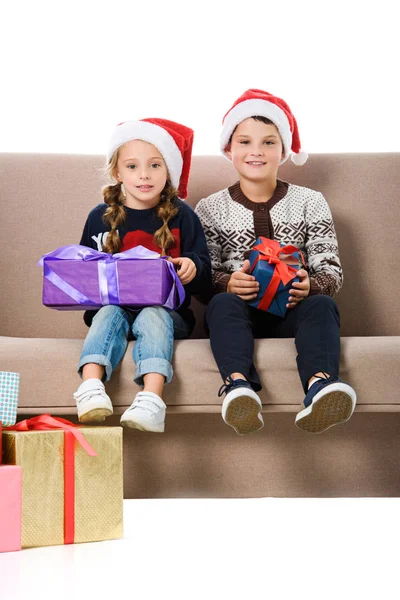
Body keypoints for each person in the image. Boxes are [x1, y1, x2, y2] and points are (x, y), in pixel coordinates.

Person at [195, 89, 357, 435]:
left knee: (322, 306)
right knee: (222, 304)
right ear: (229, 149)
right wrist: (227, 283)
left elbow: (331, 269)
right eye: (245, 142)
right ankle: (238, 387)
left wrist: (310, 283)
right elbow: (203, 277)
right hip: (240, 313)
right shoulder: (209, 208)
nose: (256, 151)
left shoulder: (310, 202)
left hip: (293, 311)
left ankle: (320, 385)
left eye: (269, 142)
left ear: (284, 150)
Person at [73, 118, 211, 432]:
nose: (144, 175)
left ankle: (151, 399)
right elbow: (83, 277)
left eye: (154, 166)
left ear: (169, 172)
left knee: (152, 312)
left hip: (167, 314)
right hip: (113, 311)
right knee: (108, 312)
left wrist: (193, 266)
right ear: (117, 172)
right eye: (133, 167)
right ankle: (91, 388)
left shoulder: (183, 215)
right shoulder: (99, 217)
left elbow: (204, 277)